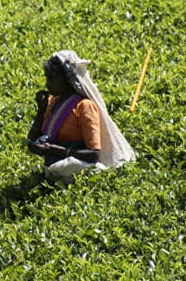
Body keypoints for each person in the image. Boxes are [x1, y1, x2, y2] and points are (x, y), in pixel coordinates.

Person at [27, 50, 136, 183]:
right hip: (54, 165)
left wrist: (55, 150)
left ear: (68, 79)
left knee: (74, 167)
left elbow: (93, 154)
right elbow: (32, 139)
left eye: (53, 78)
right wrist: (41, 111)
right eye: (47, 78)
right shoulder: (53, 103)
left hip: (75, 163)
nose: (47, 84)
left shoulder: (85, 106)